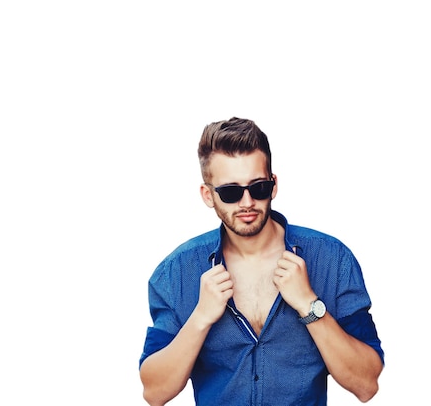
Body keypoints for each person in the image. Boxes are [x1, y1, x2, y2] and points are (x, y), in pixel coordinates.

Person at [139, 117, 384, 405]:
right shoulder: (177, 272)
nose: (246, 203)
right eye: (230, 192)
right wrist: (200, 318)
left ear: (274, 185)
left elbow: (366, 384)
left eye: (258, 188)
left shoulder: (332, 259)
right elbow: (154, 392)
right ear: (208, 195)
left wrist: (309, 306)